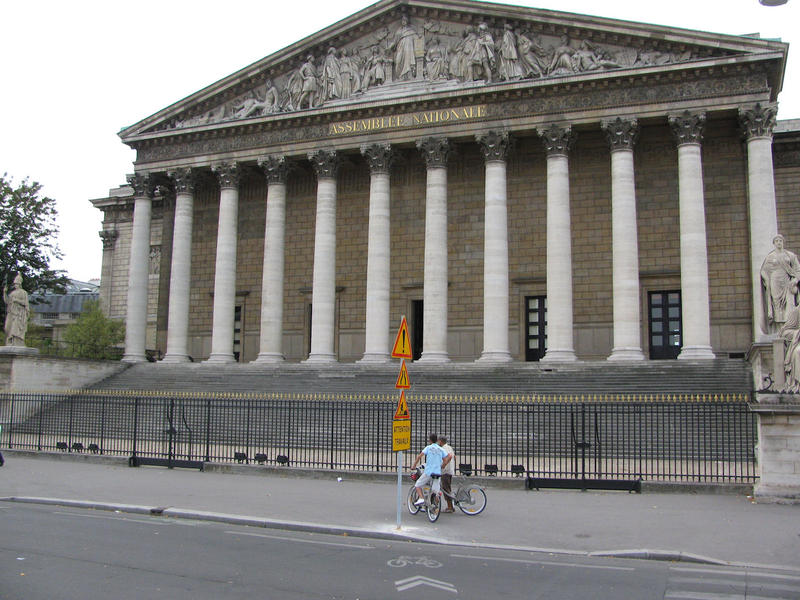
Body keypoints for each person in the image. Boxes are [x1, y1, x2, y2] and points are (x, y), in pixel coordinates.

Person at [760, 234, 800, 334]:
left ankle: (789, 327)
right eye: (777, 241)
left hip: (787, 283)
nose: (779, 242)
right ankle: (779, 330)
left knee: (790, 304)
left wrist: (795, 280)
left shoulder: (790, 255)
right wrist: (767, 281)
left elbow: (797, 269)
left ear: (783, 242)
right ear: (774, 243)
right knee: (776, 306)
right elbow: (763, 271)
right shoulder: (770, 257)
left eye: (780, 241)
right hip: (775, 283)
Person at [410, 433, 453, 506]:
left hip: (429, 471)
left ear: (430, 440)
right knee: (435, 490)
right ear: (437, 440)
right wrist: (444, 464)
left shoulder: (428, 448)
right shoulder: (440, 449)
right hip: (437, 472)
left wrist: (414, 466)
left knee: (417, 485)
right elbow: (449, 456)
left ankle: (421, 498)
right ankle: (436, 503)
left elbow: (419, 457)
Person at [3, 272, 30, 347]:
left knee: (15, 329)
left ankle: (16, 341)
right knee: (7, 328)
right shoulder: (12, 293)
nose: (15, 285)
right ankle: (10, 341)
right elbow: (7, 301)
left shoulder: (23, 293)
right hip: (11, 312)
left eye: (17, 284)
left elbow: (25, 303)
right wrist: (4, 293)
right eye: (15, 284)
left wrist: (17, 300)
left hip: (19, 313)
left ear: (20, 284)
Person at [437, 435, 456, 512]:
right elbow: (454, 457)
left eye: (438, 441)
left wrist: (444, 465)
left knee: (446, 489)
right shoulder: (449, 447)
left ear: (440, 441)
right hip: (450, 470)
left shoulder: (444, 449)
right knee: (447, 488)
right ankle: (450, 506)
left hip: (446, 471)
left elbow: (450, 456)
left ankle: (450, 507)